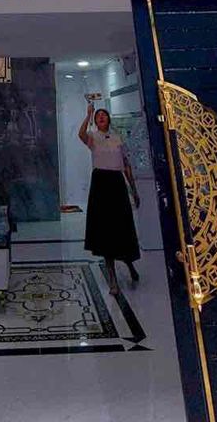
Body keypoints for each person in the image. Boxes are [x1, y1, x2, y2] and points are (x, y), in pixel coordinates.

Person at [79, 101, 141, 296]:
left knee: (122, 229)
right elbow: (81, 134)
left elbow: (126, 165)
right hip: (100, 185)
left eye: (103, 115)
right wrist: (88, 114)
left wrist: (134, 190)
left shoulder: (118, 138)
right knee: (106, 233)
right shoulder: (93, 137)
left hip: (117, 184)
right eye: (98, 116)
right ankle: (113, 279)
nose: (101, 117)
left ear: (109, 119)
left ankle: (130, 265)